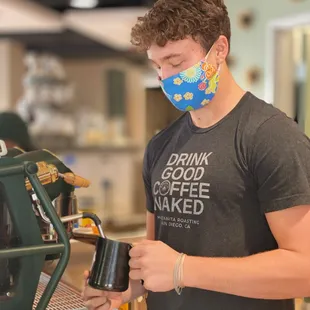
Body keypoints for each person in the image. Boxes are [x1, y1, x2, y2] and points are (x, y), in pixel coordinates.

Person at [82, 1, 310, 309]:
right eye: (157, 65)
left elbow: (304, 269)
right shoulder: (160, 146)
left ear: (219, 49)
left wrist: (183, 269)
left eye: (175, 63)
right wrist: (129, 286)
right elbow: (156, 256)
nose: (165, 77)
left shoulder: (272, 136)